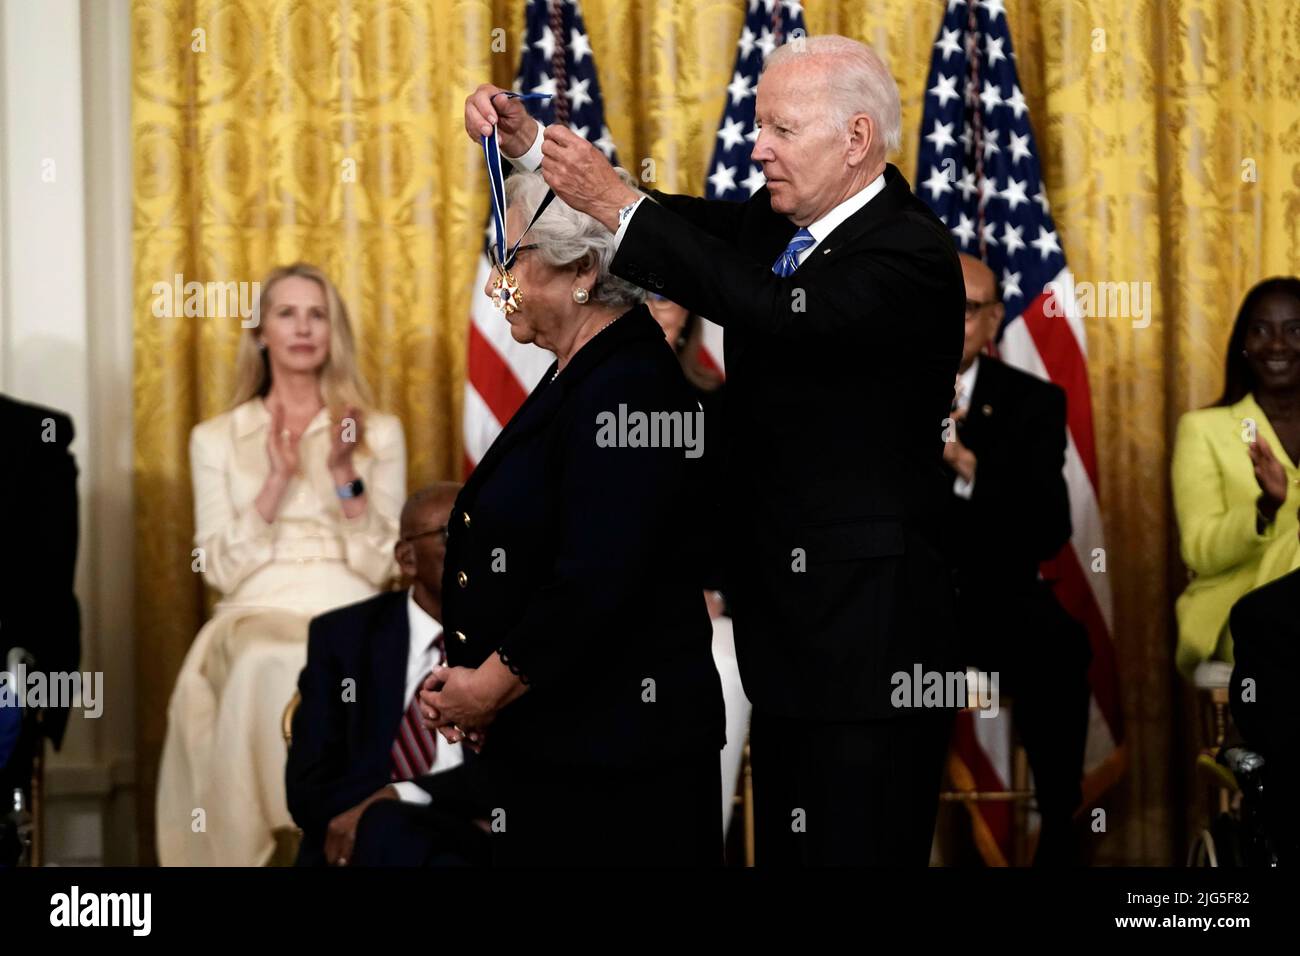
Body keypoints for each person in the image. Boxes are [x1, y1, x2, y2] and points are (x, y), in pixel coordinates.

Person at [465, 33, 964, 864]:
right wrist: (536, 157)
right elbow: (682, 227)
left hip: (870, 650)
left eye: (779, 129)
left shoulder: (908, 250)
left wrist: (619, 205)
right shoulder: (784, 227)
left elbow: (776, 311)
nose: (756, 146)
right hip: (794, 637)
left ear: (856, 140)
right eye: (758, 125)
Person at [417, 168, 726, 866]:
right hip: (567, 744)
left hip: (618, 763)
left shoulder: (629, 384)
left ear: (583, 269)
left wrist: (488, 688)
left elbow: (596, 577)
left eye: (513, 257)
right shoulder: (586, 372)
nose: (499, 282)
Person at [156, 263, 406, 866]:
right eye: (286, 313)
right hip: (254, 607)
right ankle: (264, 848)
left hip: (350, 600)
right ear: (260, 332)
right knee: (269, 656)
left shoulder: (377, 432)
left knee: (339, 651)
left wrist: (345, 474)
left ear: (333, 331)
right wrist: (275, 480)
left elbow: (384, 564)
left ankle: (342, 842)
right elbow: (217, 566)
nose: (302, 328)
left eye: (316, 314)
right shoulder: (215, 437)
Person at [940, 254, 1091, 865]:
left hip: (999, 598)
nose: (950, 320)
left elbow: (1049, 527)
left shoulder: (1032, 402)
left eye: (968, 308)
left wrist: (968, 465)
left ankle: (1058, 829)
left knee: (1061, 646)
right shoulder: (879, 393)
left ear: (995, 319)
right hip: (908, 601)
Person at [287, 484, 487, 867]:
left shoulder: (512, 642)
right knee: (387, 828)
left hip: (472, 837)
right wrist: (383, 807)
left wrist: (403, 794)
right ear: (407, 558)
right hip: (360, 843)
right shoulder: (343, 639)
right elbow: (308, 786)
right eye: (452, 532)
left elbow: (523, 773)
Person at [1172, 277, 1300, 677]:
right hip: (1243, 608)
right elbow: (1198, 550)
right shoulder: (1203, 429)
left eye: (1295, 330)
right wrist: (1266, 508)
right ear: (1243, 344)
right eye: (1261, 330)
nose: (1277, 344)